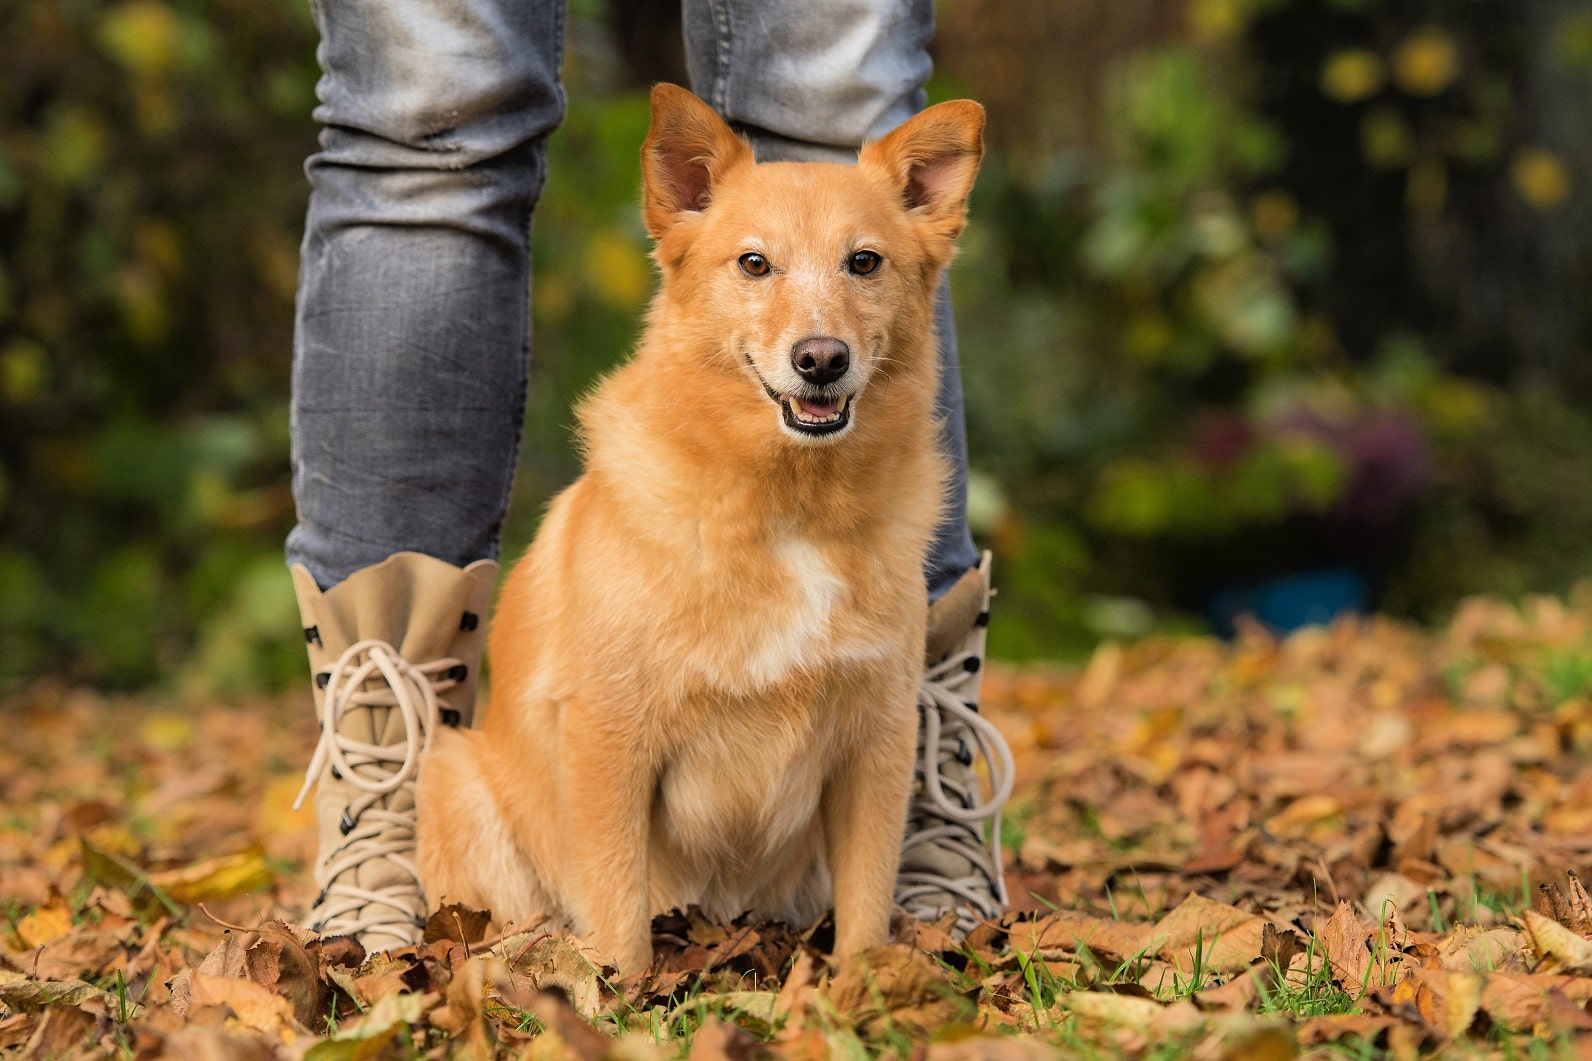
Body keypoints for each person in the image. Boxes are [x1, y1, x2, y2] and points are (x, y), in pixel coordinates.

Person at [285, 0, 1014, 954]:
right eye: (755, 265)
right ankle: (384, 793)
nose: (818, 329)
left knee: (841, 81)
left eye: (864, 264)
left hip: (813, 731)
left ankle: (917, 810)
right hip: (560, 834)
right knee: (426, 106)